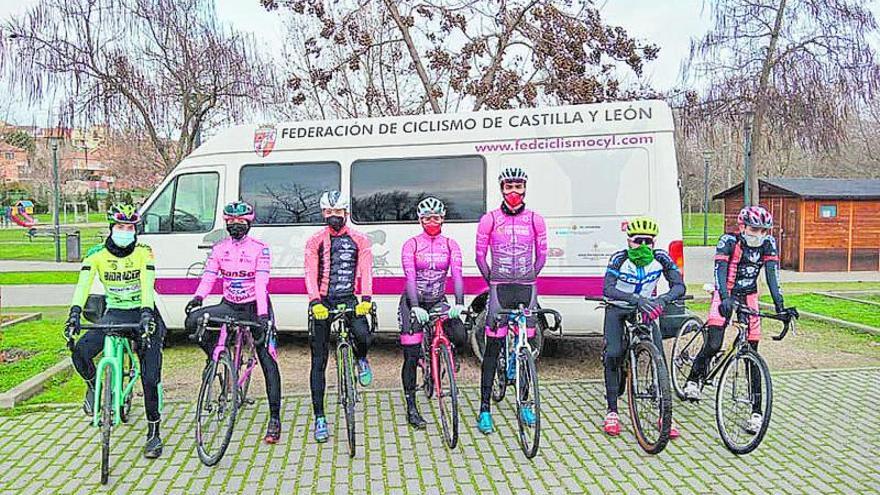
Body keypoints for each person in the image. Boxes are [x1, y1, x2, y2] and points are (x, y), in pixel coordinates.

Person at [682, 206, 797, 433]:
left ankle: (756, 412)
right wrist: (724, 297)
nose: (760, 234)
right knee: (715, 343)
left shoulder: (768, 244)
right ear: (742, 227)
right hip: (726, 292)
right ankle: (693, 379)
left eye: (764, 230)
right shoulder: (728, 241)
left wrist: (780, 307)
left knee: (752, 353)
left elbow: (773, 276)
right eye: (755, 229)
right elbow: (719, 271)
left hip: (749, 294)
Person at [65, 203, 166, 458]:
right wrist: (75, 312)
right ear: (111, 228)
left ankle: (154, 432)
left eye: (130, 227)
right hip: (114, 314)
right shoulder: (96, 254)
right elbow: (83, 284)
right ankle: (92, 386)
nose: (125, 231)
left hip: (143, 312)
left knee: (150, 376)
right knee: (80, 352)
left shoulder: (144, 252)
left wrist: (146, 313)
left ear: (136, 230)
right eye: (120, 227)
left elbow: (147, 283)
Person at [183, 200, 283, 444]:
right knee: (193, 322)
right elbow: (209, 276)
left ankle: (274, 418)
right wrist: (198, 297)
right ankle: (217, 357)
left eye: (241, 222)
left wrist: (262, 317)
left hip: (254, 305)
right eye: (231, 222)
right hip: (229, 303)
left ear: (249, 223)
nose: (236, 226)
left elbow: (261, 283)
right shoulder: (219, 249)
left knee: (267, 358)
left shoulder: (260, 248)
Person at [475, 167, 547, 434]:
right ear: (501, 189)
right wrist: (492, 281)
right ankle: (484, 408)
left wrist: (530, 276)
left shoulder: (535, 220)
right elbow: (480, 257)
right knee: (493, 349)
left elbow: (542, 255)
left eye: (518, 186)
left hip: (526, 288)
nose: (513, 192)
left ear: (525, 188)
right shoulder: (489, 219)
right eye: (509, 187)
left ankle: (525, 402)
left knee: (525, 345)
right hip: (499, 289)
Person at [600, 216, 686, 438]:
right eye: (639, 241)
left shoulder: (661, 258)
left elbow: (679, 286)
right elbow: (608, 289)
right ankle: (612, 412)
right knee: (614, 353)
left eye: (649, 242)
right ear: (629, 241)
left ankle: (664, 413)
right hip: (618, 308)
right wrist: (637, 299)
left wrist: (663, 300)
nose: (644, 246)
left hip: (648, 309)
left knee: (659, 357)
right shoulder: (619, 259)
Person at [305, 190, 374, 443]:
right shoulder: (315, 240)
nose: (334, 217)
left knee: (364, 335)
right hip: (323, 301)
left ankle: (362, 359)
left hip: (348, 297)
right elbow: (309, 272)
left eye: (338, 212)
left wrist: (366, 299)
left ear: (346, 212)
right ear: (324, 213)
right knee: (319, 360)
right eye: (329, 213)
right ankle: (320, 417)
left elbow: (366, 270)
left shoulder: (359, 239)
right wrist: (314, 301)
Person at [398, 197, 468, 429]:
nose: (431, 221)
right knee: (410, 354)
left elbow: (457, 274)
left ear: (443, 218)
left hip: (438, 299)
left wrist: (459, 302)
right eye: (426, 218)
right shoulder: (411, 244)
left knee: (460, 334)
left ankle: (445, 355)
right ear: (420, 220)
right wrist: (416, 306)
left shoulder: (450, 244)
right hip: (413, 301)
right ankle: (411, 406)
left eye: (436, 217)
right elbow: (410, 276)